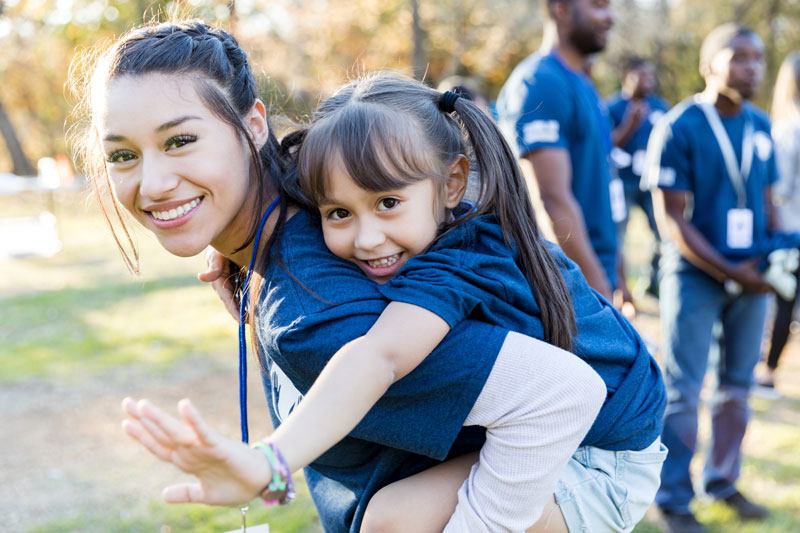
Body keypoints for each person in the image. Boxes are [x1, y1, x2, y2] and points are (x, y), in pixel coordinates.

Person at [72, 20, 661, 533]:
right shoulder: (331, 184)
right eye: (122, 154)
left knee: (391, 523)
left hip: (599, 445)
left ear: (254, 126)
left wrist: (270, 464)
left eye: (181, 140)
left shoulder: (315, 312)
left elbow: (555, 392)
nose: (151, 183)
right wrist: (232, 254)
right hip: (602, 408)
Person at [642, 23, 776, 533]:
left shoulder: (760, 124)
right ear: (708, 65)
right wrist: (728, 269)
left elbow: (767, 202)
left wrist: (776, 257)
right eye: (738, 56)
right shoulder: (678, 126)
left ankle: (721, 480)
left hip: (752, 275)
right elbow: (670, 219)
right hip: (695, 275)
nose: (752, 67)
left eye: (758, 58)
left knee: (738, 387)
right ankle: (673, 498)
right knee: (683, 388)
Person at [496, 0, 623, 303]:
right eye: (599, 6)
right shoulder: (541, 82)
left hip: (595, 273)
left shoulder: (581, 82)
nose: (611, 17)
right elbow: (551, 198)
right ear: (561, 9)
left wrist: (615, 273)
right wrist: (597, 292)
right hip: (569, 285)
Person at [607, 57, 669, 298]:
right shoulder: (612, 107)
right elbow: (608, 145)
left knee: (662, 231)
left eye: (650, 76)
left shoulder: (660, 106)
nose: (647, 81)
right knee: (619, 233)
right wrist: (629, 125)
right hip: (623, 182)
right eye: (641, 76)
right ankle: (617, 286)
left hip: (652, 182)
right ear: (626, 78)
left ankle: (653, 282)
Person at [757, 50, 800, 390]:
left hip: (789, 231)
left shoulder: (788, 129)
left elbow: (779, 189)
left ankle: (768, 372)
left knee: (782, 300)